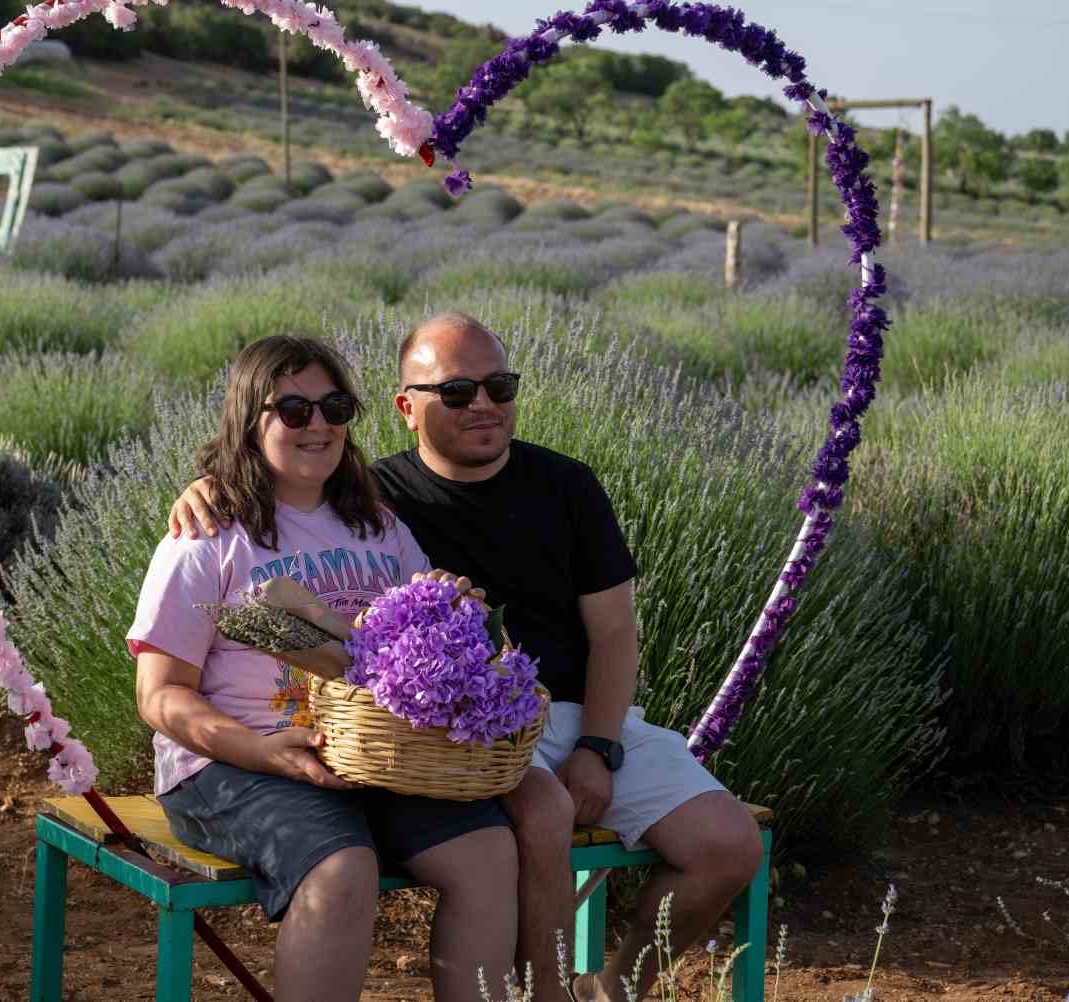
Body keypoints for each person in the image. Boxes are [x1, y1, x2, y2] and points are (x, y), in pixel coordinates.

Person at [169, 315, 764, 1002]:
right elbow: (276, 491)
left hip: (584, 718)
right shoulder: (371, 503)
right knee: (539, 813)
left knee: (729, 844)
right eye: (455, 392)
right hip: (469, 732)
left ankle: (610, 990)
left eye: (499, 386)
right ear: (406, 409)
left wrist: (599, 746)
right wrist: (209, 487)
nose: (482, 404)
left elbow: (615, 633)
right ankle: (545, 994)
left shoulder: (567, 485)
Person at [131, 334, 518, 1002]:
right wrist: (260, 752)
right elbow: (159, 696)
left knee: (486, 854)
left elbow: (421, 632)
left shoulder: (377, 524)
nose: (319, 426)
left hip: (374, 758)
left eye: (334, 407)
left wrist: (455, 614)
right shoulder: (210, 536)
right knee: (342, 869)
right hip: (232, 767)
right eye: (295, 410)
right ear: (253, 421)